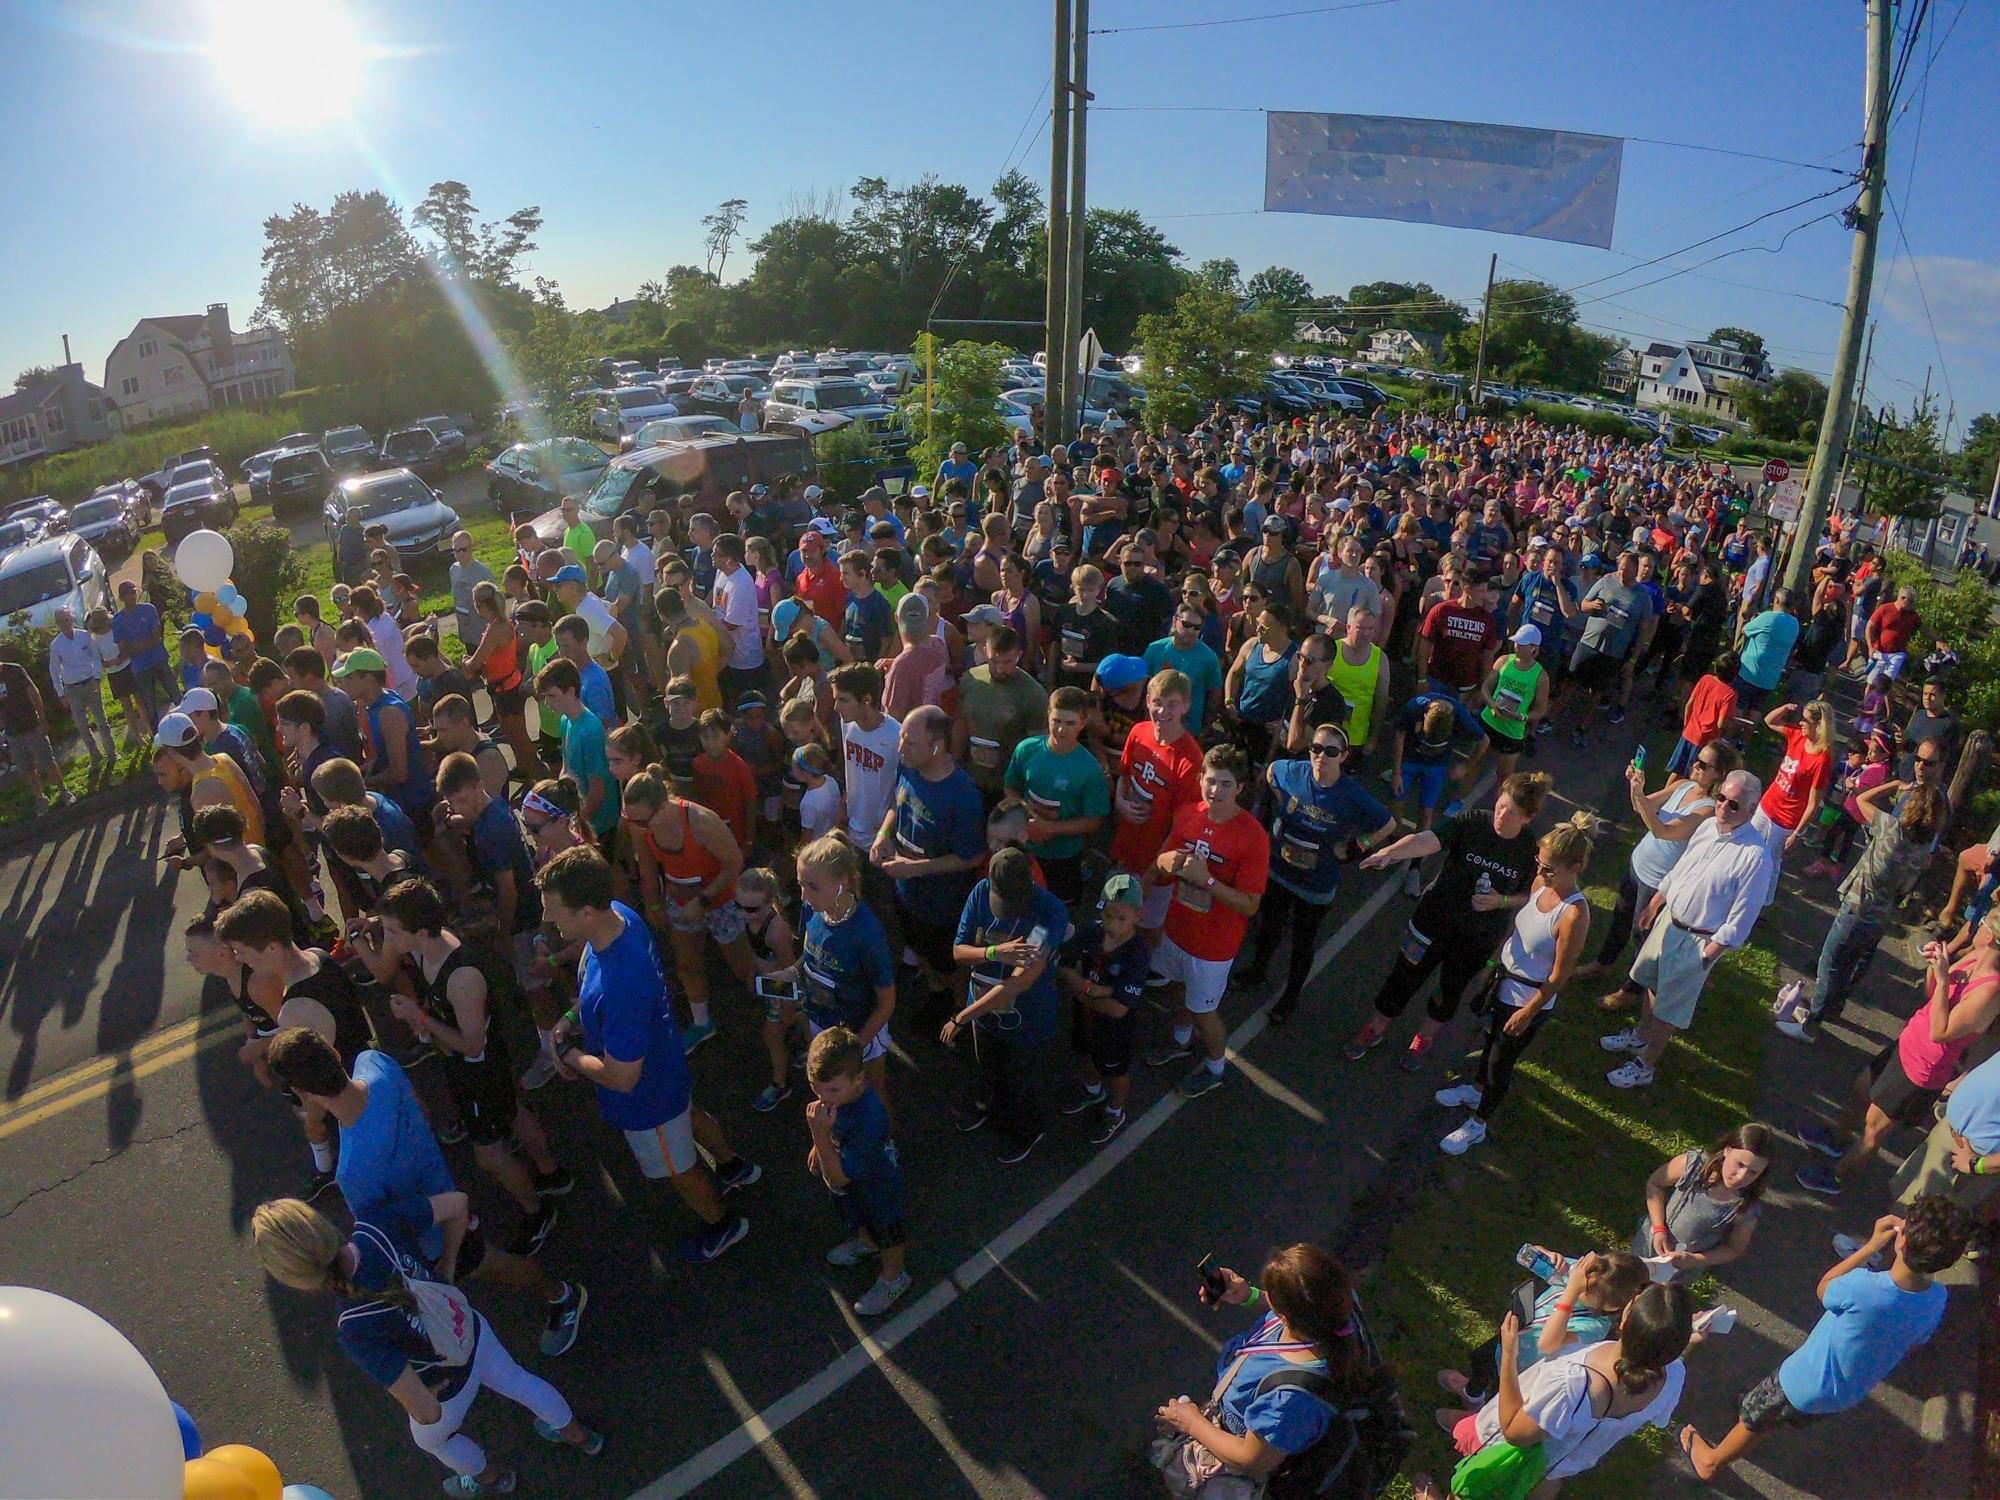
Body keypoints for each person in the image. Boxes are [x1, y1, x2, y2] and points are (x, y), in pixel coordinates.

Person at [251, 1193, 602, 1499]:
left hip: (448, 1383)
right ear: (320, 1225)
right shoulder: (376, 1225)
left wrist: (427, 1395)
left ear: (297, 1278)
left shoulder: (353, 1329)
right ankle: (578, 1435)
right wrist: (447, 1265)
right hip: (470, 1328)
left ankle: (490, 1478)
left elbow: (426, 1412)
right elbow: (457, 1203)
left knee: (432, 1440)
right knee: (520, 1381)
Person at [262, 1027, 588, 1354]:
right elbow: (421, 1107)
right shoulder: (374, 1062)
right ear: (333, 1054)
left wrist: (443, 1267)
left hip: (434, 1239)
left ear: (302, 1092)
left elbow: (386, 1230)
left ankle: (562, 1294)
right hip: (445, 1192)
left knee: (494, 1264)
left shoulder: (352, 1172)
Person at [539, 846, 759, 1263]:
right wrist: (571, 1016)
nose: (548, 919)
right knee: (690, 1115)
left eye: (555, 911)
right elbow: (592, 988)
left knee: (679, 1167)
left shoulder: (621, 983)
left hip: (648, 1099)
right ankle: (732, 1165)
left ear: (587, 912)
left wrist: (566, 1054)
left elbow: (622, 1078)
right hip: (667, 1065)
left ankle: (722, 1223)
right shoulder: (619, 916)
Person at [1681, 1196, 1971, 1481]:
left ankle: (1713, 1461)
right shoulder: (1937, 1298)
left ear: (1902, 1240)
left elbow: (1825, 1288)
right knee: (1778, 1416)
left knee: (1755, 1419)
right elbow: (1915, 1343)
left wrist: (1870, 1246)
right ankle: (1753, 1431)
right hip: (1846, 1391)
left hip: (1802, 1380)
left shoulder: (1864, 1287)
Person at [355, 877, 573, 1254]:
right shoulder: (427, 947)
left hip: (478, 1068)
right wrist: (374, 926)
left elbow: (473, 1045)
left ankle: (536, 1211)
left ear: (420, 931)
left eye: (391, 930)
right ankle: (552, 1172)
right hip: (472, 1062)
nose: (386, 938)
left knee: (488, 1155)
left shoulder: (462, 978)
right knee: (514, 1110)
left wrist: (419, 1019)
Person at [1156, 1243, 1398, 1495]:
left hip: (1232, 1457)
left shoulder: (1290, 1400)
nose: (1266, 1297)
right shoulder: (1337, 1309)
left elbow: (1251, 1460)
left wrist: (1191, 1423)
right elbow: (1303, 1309)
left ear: (1285, 1316)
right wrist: (1248, 1295)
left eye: (1270, 1294)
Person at [1347, 774, 1550, 1071]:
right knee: (1403, 977)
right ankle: (1375, 1028)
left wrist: (1500, 901)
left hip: (1475, 938)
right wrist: (1390, 853)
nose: (1501, 815)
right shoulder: (1471, 822)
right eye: (1501, 805)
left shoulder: (1530, 851)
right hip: (1432, 922)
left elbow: (1532, 895)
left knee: (1450, 990)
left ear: (1528, 818)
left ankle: (1423, 1038)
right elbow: (1427, 840)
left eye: (1511, 813)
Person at [1424, 1284, 1693, 1500]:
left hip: (1512, 1455)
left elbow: (1514, 1432)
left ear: (1626, 1319)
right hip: (1558, 1464)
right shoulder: (1673, 1377)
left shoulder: (1573, 1385)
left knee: (1472, 1489)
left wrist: (1508, 1355)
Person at [1796, 916, 2000, 1197]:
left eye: (1985, 922)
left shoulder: (1990, 991)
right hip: (1907, 1044)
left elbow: (1941, 1032)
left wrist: (1942, 980)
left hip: (1921, 1070)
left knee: (1873, 1130)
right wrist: (1934, 969)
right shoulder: (1974, 957)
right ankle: (1837, 1139)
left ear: (1990, 937)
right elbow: (1932, 995)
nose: (1977, 926)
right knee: (1861, 1088)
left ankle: (1837, 1177)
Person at [1433, 813, 1598, 1155]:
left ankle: (1479, 1123)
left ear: (1576, 867)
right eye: (1539, 863)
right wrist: (1494, 962)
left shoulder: (1574, 915)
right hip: (1503, 982)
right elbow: (1518, 929)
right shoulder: (1541, 885)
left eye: (1549, 868)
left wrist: (1529, 1011)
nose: (1539, 872)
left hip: (1527, 997)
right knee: (1489, 1039)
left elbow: (1559, 974)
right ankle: (1476, 1089)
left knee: (1500, 1062)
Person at [1601, 770, 1769, 1090]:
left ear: (1751, 810)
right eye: (1721, 798)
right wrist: (1656, 902)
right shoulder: (1707, 826)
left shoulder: (1754, 856)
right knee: (1651, 981)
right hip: (1670, 921)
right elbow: (1682, 869)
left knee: (1669, 1008)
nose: (1722, 807)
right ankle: (1639, 1036)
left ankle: (1645, 1064)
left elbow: (1742, 918)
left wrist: (1707, 955)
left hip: (1698, 939)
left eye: (1733, 804)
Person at [1246, 723, 1397, 1024]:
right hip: (1278, 872)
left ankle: (1289, 997)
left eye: (1330, 752)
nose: (1321, 757)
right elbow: (1271, 772)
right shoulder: (1291, 772)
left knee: (1302, 943)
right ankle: (1257, 972)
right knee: (1268, 928)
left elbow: (1388, 824)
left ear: (1344, 756)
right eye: (1316, 749)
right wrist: (1268, 814)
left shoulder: (1351, 794)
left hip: (1315, 886)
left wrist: (1355, 848)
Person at [1145, 743, 1271, 1099]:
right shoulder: (1187, 815)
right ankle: (1180, 1041)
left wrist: (1208, 881)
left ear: (1240, 789)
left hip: (1212, 948)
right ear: (1200, 779)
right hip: (1176, 930)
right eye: (1211, 781)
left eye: (1226, 784)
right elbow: (1161, 865)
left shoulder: (1253, 838)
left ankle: (1216, 1066)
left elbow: (1249, 905)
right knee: (1172, 987)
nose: (1216, 791)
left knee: (1205, 1011)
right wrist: (1162, 867)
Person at [943, 846, 1070, 1163]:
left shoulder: (1049, 913)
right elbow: (959, 951)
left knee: (1023, 1083)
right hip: (986, 1017)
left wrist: (963, 1016)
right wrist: (993, 953)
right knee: (989, 1068)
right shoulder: (980, 892)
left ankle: (1028, 1131)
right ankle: (990, 1107)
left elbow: (1019, 983)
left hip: (1027, 1020)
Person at [1585, 744, 1735, 1009]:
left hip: (1657, 882)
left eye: (1703, 764)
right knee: (1620, 919)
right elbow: (1642, 806)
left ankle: (1630, 991)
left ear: (1719, 774)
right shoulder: (1683, 786)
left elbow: (1663, 830)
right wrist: (1636, 787)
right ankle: (1602, 965)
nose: (1695, 766)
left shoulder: (1708, 810)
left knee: (1641, 936)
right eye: (1696, 760)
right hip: (1638, 866)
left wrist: (1640, 797)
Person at [621, 769, 749, 1053]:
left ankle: (771, 1010)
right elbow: (647, 869)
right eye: (630, 819)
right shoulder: (642, 827)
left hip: (719, 899)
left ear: (664, 806)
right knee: (687, 963)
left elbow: (734, 863)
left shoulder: (702, 822)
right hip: (679, 900)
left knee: (742, 966)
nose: (636, 827)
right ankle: (702, 1022)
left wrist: (703, 901)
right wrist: (653, 903)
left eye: (641, 820)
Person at [871, 705, 986, 1012]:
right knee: (915, 943)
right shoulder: (908, 765)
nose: (900, 747)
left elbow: (971, 857)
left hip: (940, 904)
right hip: (906, 892)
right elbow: (898, 803)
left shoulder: (963, 796)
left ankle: (951, 1004)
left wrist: (915, 869)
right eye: (901, 739)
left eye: (910, 742)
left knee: (944, 963)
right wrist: (883, 833)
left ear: (936, 746)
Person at [1439, 1251, 1651, 1410]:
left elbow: (1547, 1343)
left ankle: (1476, 1418)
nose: (1580, 1286)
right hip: (1512, 1338)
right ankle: (1472, 1394)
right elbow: (1526, 1255)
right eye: (1584, 1278)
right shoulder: (1584, 1273)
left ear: (1611, 1307)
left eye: (1586, 1290)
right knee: (1480, 1360)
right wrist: (1546, 1255)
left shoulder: (1593, 1327)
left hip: (1522, 1369)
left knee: (1499, 1396)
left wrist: (1571, 1291)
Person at [804, 1025, 912, 1316]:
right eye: (816, 1088)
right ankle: (866, 1243)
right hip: (852, 1184)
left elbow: (838, 1177)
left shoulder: (870, 1118)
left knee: (886, 1228)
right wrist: (821, 1144)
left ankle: (894, 1276)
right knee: (856, 1216)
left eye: (832, 1090)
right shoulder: (838, 1099)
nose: (823, 1098)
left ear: (859, 1079)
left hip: (877, 1187)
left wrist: (819, 1138)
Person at [1057, 872, 1151, 1145]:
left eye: (1122, 918)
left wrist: (1083, 992)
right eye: (1109, 916)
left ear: (1137, 915)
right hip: (1086, 1017)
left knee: (1115, 1069)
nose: (1112, 925)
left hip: (1114, 1029)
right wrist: (1089, 988)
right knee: (1086, 1052)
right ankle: (1092, 1088)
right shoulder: (1092, 933)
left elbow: (1119, 1009)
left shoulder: (1137, 953)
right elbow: (1064, 963)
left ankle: (1115, 1109)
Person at [1003, 686, 1111, 903]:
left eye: (1070, 723)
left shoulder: (1089, 769)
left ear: (1083, 722)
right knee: (1019, 904)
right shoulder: (1026, 749)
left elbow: (1093, 822)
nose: (1061, 730)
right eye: (1057, 721)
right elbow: (1010, 787)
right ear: (1048, 716)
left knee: (1060, 911)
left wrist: (1050, 828)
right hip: (1025, 848)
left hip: (1064, 856)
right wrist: (1028, 817)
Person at [1637, 1123, 1774, 1284]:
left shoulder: (1746, 1208)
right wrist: (1658, 1228)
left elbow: (1734, 1248)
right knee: (1630, 1277)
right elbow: (1655, 1184)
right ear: (1727, 1150)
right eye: (1740, 1164)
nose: (1741, 1177)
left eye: (1753, 1172)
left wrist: (1694, 1260)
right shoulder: (1693, 1166)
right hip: (1650, 1241)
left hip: (1680, 1269)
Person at [1747, 700, 1836, 909]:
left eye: (1805, 720)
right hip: (1767, 805)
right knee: (1748, 847)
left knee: (1769, 862)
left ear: (1818, 724)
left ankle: (1761, 904)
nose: (1800, 723)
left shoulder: (1821, 760)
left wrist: (1797, 833)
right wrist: (1785, 708)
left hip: (1785, 820)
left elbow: (1814, 803)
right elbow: (1769, 721)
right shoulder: (1796, 736)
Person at [955, 624, 1049, 802]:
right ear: (984, 651)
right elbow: (961, 723)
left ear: (1018, 655)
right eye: (993, 661)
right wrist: (954, 764)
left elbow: (1037, 749)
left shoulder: (1033, 694)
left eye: (1007, 662)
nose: (999, 669)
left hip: (1007, 787)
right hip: (970, 779)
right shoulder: (971, 679)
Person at [46, 607, 113, 765]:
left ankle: (111, 753)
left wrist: (97, 678)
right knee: (82, 726)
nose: (65, 624)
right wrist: (61, 694)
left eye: (67, 619)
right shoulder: (56, 646)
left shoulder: (84, 636)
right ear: (57, 624)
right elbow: (55, 671)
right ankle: (95, 756)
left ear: (72, 619)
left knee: (101, 721)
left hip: (90, 682)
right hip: (72, 689)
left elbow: (96, 657)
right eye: (62, 621)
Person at [113, 578, 180, 729]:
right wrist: (144, 645)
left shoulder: (149, 609)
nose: (131, 596)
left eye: (133, 593)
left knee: (174, 691)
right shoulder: (118, 620)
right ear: (122, 598)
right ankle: (156, 732)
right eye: (127, 594)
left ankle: (189, 720)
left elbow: (156, 637)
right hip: (140, 666)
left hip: (158, 658)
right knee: (149, 702)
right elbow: (123, 648)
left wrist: (136, 646)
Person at [1, 657, 67, 808]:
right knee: (27, 769)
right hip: (13, 733)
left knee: (47, 761)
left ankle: (64, 791)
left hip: (32, 725)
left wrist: (42, 718)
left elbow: (34, 692)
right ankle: (40, 798)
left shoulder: (14, 669)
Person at [1735, 588, 1801, 712]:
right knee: (1756, 710)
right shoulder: (1795, 624)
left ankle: (1731, 731)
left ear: (1776, 600)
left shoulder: (1768, 617)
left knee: (1739, 705)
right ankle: (1749, 731)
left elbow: (1745, 630)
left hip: (1750, 671)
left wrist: (1752, 619)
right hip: (1771, 676)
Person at [1863, 585, 1922, 681]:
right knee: (1872, 681)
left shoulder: (1913, 616)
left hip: (1897, 654)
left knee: (1886, 682)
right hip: (1880, 651)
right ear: (1901, 598)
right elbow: (1869, 626)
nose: (1910, 604)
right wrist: (1870, 647)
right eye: (1909, 601)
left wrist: (1938, 640)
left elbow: (1924, 628)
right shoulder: (1885, 609)